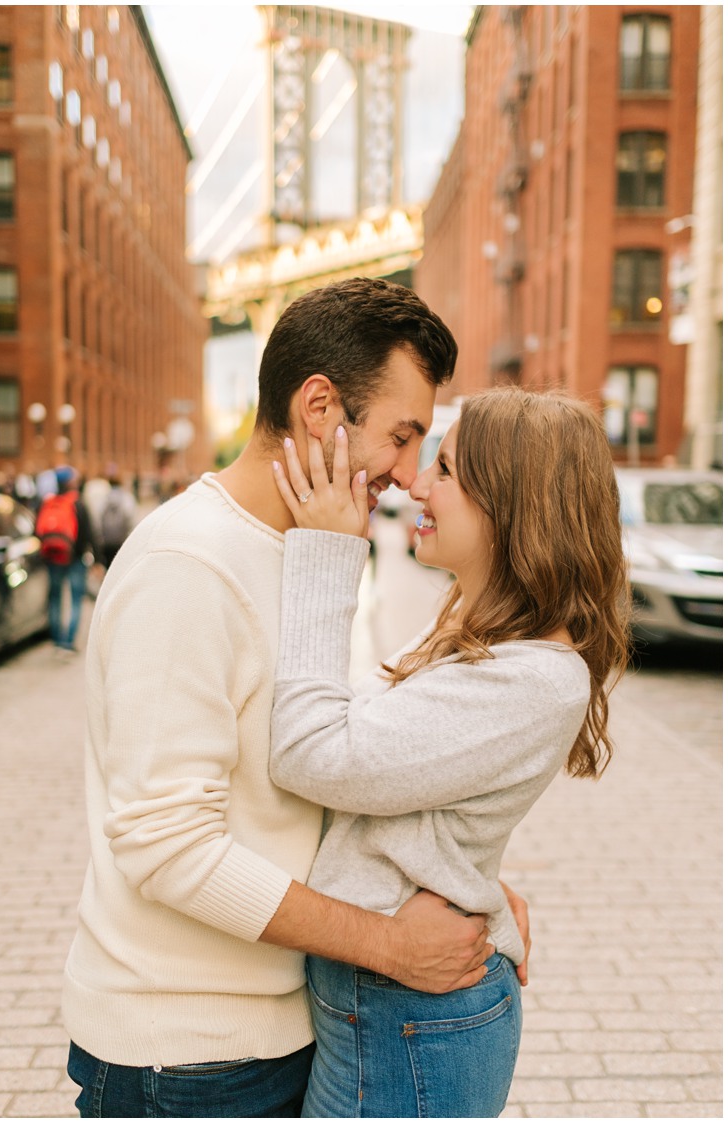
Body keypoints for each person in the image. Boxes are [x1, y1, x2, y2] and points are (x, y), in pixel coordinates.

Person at [63, 277, 500, 1118]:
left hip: (272, 1032)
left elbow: (324, 770)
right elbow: (167, 845)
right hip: (186, 1060)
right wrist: (389, 944)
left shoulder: (312, 549)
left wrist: (459, 877)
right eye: (401, 437)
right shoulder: (188, 566)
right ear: (319, 406)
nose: (410, 475)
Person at [267, 388, 629, 1116]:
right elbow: (394, 763)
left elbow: (314, 751)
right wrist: (469, 872)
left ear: (514, 505)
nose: (417, 485)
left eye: (448, 471)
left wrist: (330, 553)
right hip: (391, 1009)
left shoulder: (534, 676)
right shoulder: (476, 627)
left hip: (414, 1024)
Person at [37, 466, 92, 653]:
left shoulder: (48, 503)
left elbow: (38, 531)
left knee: (55, 597)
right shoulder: (78, 503)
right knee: (76, 599)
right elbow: (89, 532)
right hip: (75, 558)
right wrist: (96, 558)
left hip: (53, 557)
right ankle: (68, 641)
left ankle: (57, 639)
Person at [95, 475, 137, 570]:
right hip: (122, 542)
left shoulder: (104, 498)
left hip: (107, 542)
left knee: (109, 569)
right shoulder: (127, 497)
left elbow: (98, 519)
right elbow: (130, 518)